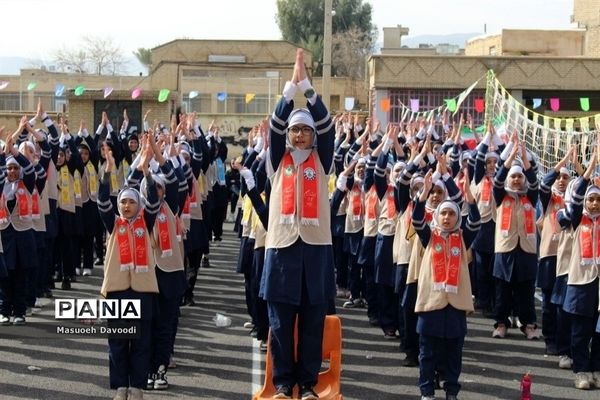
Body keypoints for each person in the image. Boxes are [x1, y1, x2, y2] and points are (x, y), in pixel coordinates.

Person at [262, 48, 335, 400]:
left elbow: (328, 125)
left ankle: (306, 384)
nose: (301, 135)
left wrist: (308, 88)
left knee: (312, 321)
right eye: (296, 131)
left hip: (316, 249)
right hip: (282, 247)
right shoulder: (278, 160)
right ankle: (281, 384)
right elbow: (274, 126)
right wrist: (290, 90)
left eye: (306, 130)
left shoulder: (323, 161)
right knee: (279, 323)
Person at [97, 141, 160, 400]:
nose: (125, 206)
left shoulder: (146, 223)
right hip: (118, 292)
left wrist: (146, 171)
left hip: (143, 292)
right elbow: (102, 201)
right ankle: (120, 387)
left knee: (142, 343)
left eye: (130, 203)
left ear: (138, 206)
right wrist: (108, 172)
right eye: (122, 202)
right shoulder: (114, 225)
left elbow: (154, 202)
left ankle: (137, 388)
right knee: (119, 343)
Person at [413, 168, 481, 400]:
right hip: (431, 301)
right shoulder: (429, 236)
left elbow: (476, 222)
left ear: (457, 218)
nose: (447, 218)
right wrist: (422, 197)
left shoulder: (462, 237)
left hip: (455, 305)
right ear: (437, 216)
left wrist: (470, 201)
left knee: (453, 352)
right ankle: (427, 391)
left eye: (452, 214)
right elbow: (416, 220)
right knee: (427, 353)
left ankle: (451, 390)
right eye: (443, 214)